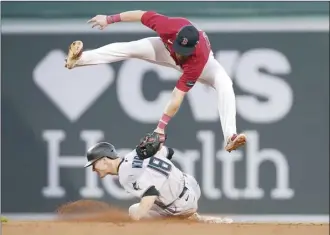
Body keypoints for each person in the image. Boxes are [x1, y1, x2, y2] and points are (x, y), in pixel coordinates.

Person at [65, 10, 246, 152]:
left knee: (225, 84)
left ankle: (230, 137)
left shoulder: (197, 59)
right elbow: (140, 14)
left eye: (184, 51)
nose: (180, 53)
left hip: (205, 65)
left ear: (191, 48)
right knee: (131, 48)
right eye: (179, 48)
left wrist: (161, 127)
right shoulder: (167, 26)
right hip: (165, 51)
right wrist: (109, 19)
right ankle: (79, 60)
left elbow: (177, 96)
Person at [83, 133, 233, 223]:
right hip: (192, 186)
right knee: (160, 186)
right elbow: (170, 153)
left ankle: (190, 218)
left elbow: (150, 194)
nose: (93, 169)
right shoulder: (135, 154)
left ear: (104, 160)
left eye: (93, 164)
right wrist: (158, 147)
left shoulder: (125, 175)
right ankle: (194, 216)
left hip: (179, 206)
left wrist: (135, 222)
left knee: (135, 211)